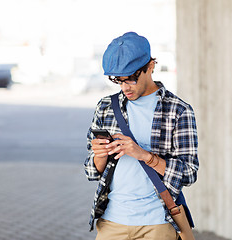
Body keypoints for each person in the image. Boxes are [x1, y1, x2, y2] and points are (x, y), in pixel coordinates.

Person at [84, 32, 199, 240]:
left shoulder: (178, 111)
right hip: (112, 223)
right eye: (118, 80)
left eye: (130, 79)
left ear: (151, 66)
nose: (124, 87)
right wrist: (99, 155)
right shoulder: (105, 107)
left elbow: (189, 173)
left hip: (157, 224)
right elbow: (92, 172)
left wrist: (144, 155)